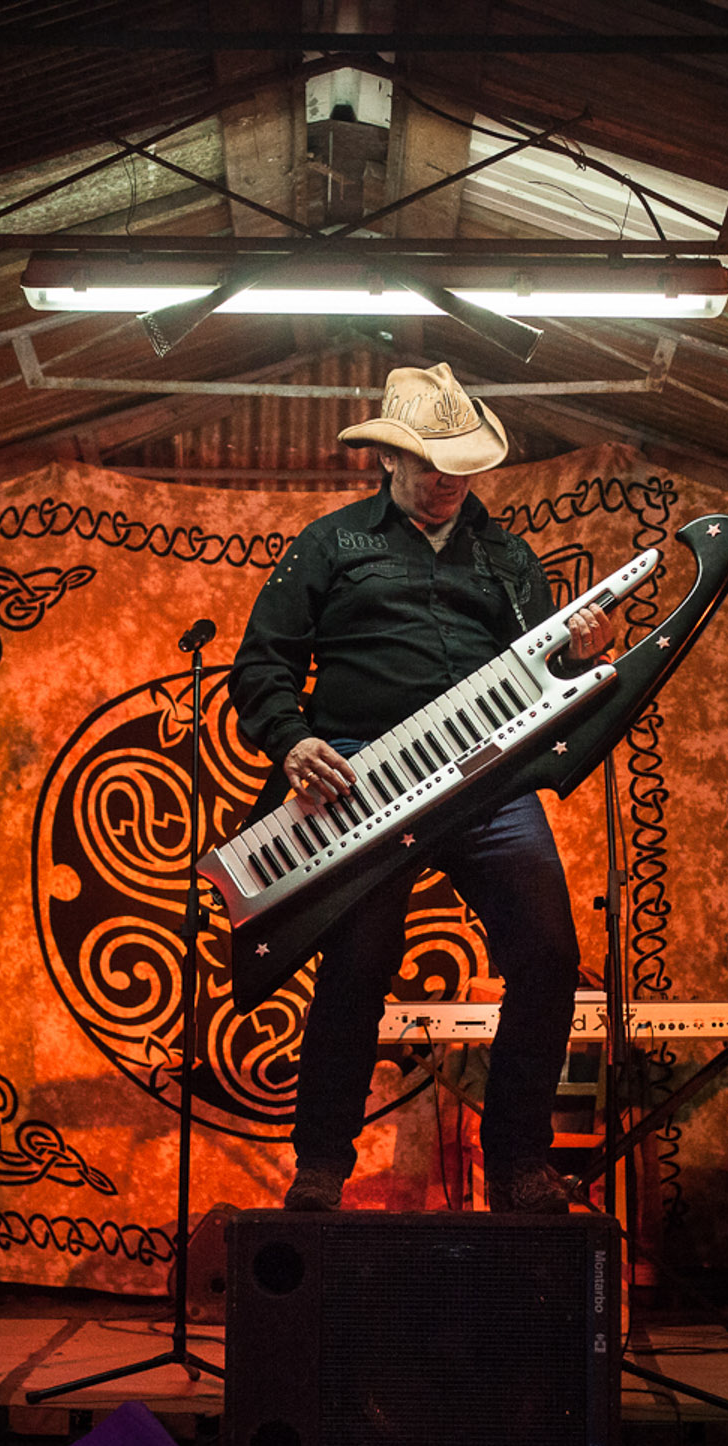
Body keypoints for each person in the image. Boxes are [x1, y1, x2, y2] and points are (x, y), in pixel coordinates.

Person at [227, 363, 616, 1214]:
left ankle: (517, 1161)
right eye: (432, 463)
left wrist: (583, 656)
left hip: (488, 774)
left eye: (461, 465)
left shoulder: (508, 559)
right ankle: (322, 1164)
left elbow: (542, 676)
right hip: (364, 779)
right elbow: (263, 662)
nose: (448, 479)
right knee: (356, 969)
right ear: (387, 461)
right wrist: (294, 744)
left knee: (549, 958)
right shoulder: (330, 543)